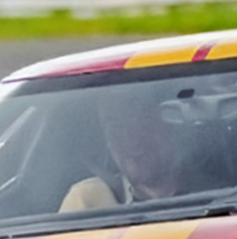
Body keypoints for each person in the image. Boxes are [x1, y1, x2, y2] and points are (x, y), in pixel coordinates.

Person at [60, 87, 189, 211]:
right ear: (107, 142)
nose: (130, 138)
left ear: (167, 126)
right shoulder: (87, 201)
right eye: (115, 126)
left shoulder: (207, 188)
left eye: (142, 122)